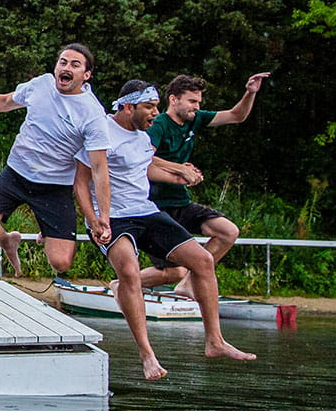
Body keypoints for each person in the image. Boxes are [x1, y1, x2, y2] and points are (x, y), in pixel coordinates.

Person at [73, 80, 255, 379]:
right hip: (113, 218)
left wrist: (179, 176)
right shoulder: (100, 130)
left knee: (203, 261)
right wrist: (94, 219)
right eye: (150, 107)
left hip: (145, 210)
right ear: (128, 107)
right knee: (130, 272)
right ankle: (147, 354)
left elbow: (145, 168)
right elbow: (81, 181)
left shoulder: (143, 137)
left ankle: (215, 341)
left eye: (157, 107)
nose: (156, 114)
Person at [0, 44, 112, 278]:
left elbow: (100, 169)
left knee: (61, 263)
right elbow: (4, 102)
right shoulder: (41, 85)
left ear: (86, 75)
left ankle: (48, 229)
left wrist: (102, 216)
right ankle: (7, 241)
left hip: (54, 187)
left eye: (75, 64)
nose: (66, 67)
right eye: (62, 62)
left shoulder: (92, 114)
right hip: (16, 174)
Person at [139, 72, 271, 297]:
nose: (197, 107)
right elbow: (141, 158)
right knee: (173, 272)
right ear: (173, 99)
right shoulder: (159, 125)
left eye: (199, 102)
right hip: (156, 207)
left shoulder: (196, 118)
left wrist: (250, 92)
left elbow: (236, 115)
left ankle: (189, 283)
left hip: (181, 202)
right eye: (192, 101)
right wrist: (181, 169)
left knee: (228, 232)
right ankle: (119, 285)